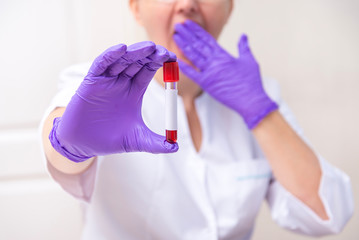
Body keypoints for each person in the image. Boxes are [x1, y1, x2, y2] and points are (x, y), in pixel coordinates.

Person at [40, 0, 353, 239]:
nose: (188, 4)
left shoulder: (261, 95)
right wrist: (68, 143)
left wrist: (261, 113)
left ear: (229, 8)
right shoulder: (99, 86)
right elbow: (60, 153)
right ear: (136, 7)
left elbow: (328, 212)